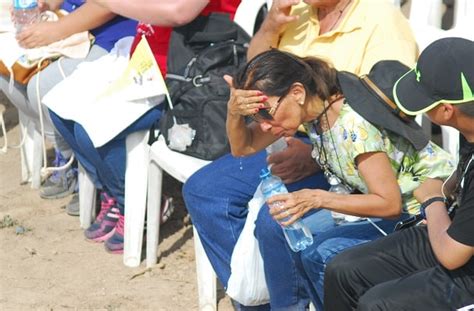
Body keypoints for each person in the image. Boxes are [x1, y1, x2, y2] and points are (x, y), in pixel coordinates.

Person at [183, 0, 417, 309]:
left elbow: (394, 110)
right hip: (316, 140)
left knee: (278, 223)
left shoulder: (378, 23)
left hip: (377, 177)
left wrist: (317, 176)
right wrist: (235, 111)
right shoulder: (299, 97)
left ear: (296, 92)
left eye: (266, 115)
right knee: (205, 190)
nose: (263, 124)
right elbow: (248, 132)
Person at [49, 0, 241, 254]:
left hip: (183, 73)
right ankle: (111, 192)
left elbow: (179, 12)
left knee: (91, 130)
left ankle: (137, 202)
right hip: (142, 61)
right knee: (59, 106)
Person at [324, 37, 474, 311]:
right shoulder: (469, 126)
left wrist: (432, 203)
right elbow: (461, 176)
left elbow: (453, 256)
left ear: (445, 110)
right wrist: (446, 190)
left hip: (464, 259)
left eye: (423, 100)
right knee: (343, 270)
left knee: (377, 305)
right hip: (458, 232)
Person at [0, 0, 137, 213]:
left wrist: (55, 30)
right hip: (77, 25)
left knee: (44, 85)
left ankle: (95, 176)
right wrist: (45, 5)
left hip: (118, 38)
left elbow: (108, 5)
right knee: (5, 69)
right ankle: (68, 155)